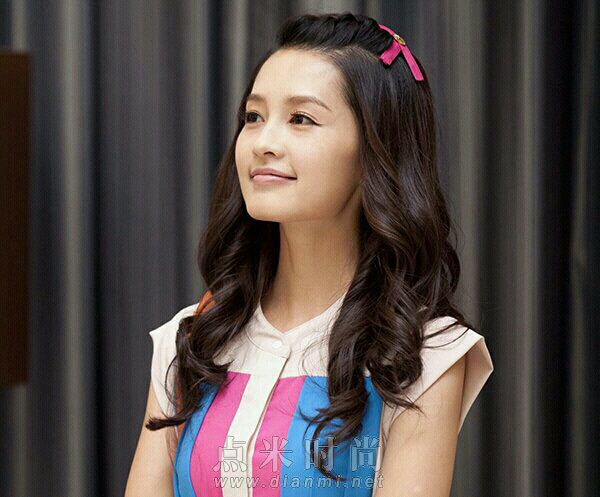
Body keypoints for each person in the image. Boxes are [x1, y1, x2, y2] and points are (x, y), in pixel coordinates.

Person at [125, 12, 494, 497]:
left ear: (375, 150)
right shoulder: (191, 340)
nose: (263, 142)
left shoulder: (423, 352)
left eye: (301, 119)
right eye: (253, 117)